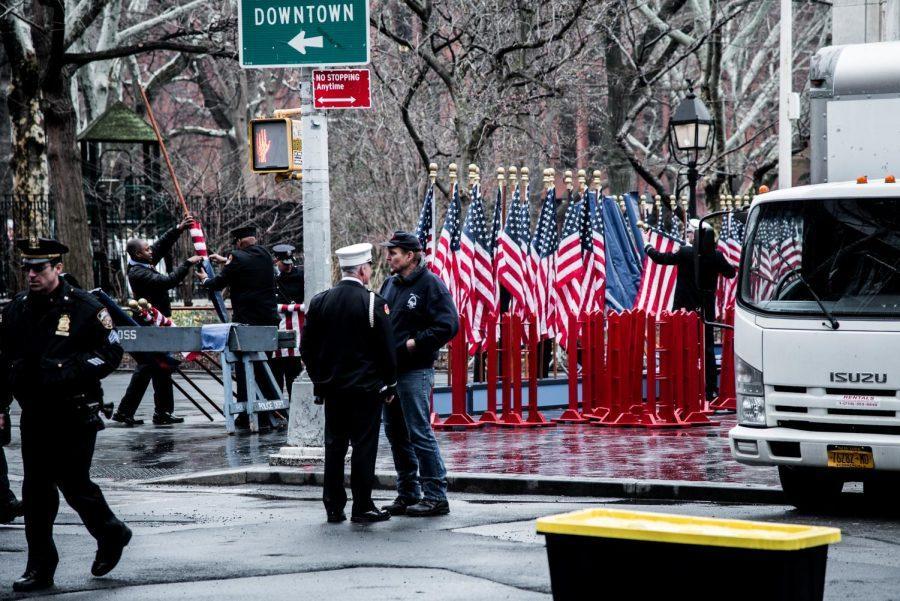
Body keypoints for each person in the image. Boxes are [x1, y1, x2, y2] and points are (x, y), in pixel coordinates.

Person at [0, 238, 131, 592]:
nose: (31, 274)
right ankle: (40, 566)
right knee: (37, 490)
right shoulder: (16, 310)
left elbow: (110, 353)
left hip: (74, 409)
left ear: (57, 268)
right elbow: (6, 360)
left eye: (39, 268)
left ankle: (111, 532)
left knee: (74, 485)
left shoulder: (85, 307)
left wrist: (69, 369)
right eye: (26, 268)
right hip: (36, 412)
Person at [301, 243, 396, 524]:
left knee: (335, 446)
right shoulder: (372, 303)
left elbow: (307, 347)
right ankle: (362, 505)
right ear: (364, 270)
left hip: (333, 389)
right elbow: (387, 350)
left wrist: (320, 378)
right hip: (366, 390)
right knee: (364, 447)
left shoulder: (320, 302)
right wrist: (389, 384)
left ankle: (333, 505)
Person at [378, 231, 458, 517]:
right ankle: (408, 493)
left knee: (419, 433)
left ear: (411, 256)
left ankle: (436, 496)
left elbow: (448, 325)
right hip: (390, 374)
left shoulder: (430, 285)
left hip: (415, 372)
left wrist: (414, 343)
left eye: (394, 253)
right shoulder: (389, 284)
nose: (388, 257)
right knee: (396, 434)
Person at [112, 216, 202, 427]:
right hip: (147, 326)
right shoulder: (139, 272)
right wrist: (187, 263)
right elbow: (167, 282)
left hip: (155, 325)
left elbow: (160, 246)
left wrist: (178, 229)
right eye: (147, 249)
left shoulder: (143, 260)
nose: (151, 251)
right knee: (149, 366)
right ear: (137, 254)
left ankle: (160, 412)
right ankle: (127, 411)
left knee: (160, 366)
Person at [644, 222, 737, 400]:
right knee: (707, 350)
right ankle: (710, 389)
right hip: (706, 310)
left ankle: (682, 387)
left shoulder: (686, 253)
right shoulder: (716, 256)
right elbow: (731, 274)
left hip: (684, 311)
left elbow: (661, 258)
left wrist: (647, 246)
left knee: (681, 347)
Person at [196, 226, 278, 326]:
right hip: (269, 317)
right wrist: (225, 260)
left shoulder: (236, 257)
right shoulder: (265, 253)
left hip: (247, 319)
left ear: (239, 241)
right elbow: (250, 264)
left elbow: (218, 283)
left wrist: (205, 279)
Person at [271, 243, 304, 396]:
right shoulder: (274, 280)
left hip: (295, 332)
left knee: (293, 374)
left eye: (289, 263)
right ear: (277, 261)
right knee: (276, 375)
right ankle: (279, 412)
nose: (288, 267)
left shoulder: (301, 277)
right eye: (285, 264)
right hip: (278, 332)